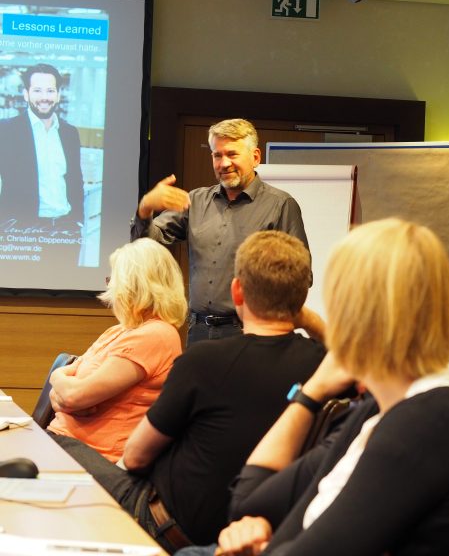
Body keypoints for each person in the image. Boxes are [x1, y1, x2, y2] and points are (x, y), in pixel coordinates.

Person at [179, 218, 449, 556]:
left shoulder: (425, 425)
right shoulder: (379, 412)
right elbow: (248, 505)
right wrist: (311, 393)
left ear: (357, 317)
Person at [53, 230, 325, 554]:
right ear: (301, 298)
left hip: (162, 523)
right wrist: (308, 319)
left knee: (54, 446)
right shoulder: (323, 367)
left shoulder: (204, 361)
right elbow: (355, 356)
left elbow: (135, 457)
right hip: (257, 530)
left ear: (237, 291)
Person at [130, 118, 309, 345]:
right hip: (198, 331)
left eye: (232, 154)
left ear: (255, 157)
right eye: (217, 155)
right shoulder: (195, 201)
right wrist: (145, 209)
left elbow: (301, 277)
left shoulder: (280, 205)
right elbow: (145, 246)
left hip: (251, 333)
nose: (224, 163)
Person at [46, 238, 186, 462]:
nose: (110, 287)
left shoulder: (155, 335)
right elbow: (61, 395)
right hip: (64, 441)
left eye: (113, 279)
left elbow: (72, 395)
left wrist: (60, 384)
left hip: (94, 455)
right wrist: (61, 385)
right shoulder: (119, 331)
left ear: (134, 285)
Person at [0, 63, 84, 236]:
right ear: (26, 94)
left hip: (65, 229)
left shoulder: (69, 133)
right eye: (37, 90)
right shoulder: (6, 131)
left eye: (50, 91)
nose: (44, 97)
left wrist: (78, 221)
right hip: (22, 232)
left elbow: (76, 181)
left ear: (58, 95)